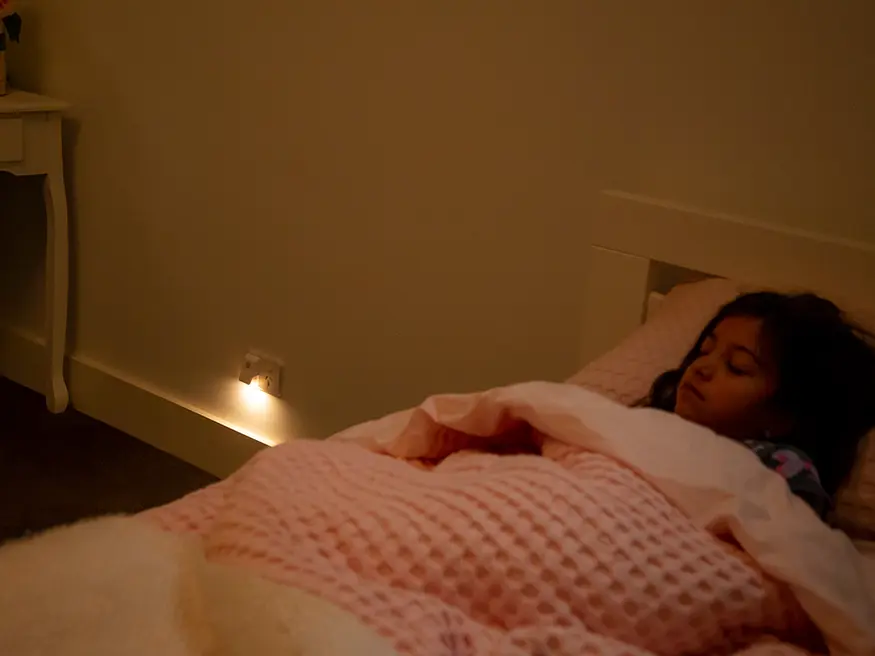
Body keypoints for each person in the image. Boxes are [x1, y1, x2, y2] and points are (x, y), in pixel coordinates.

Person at [642, 291, 875, 518]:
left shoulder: (779, 466)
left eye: (737, 366)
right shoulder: (648, 424)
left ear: (782, 416)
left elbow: (791, 537)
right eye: (704, 351)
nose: (701, 367)